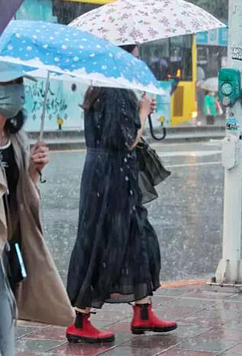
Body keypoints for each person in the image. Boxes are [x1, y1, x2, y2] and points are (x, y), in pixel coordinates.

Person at [65, 45, 176, 344]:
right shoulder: (115, 90)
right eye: (135, 53)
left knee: (139, 237)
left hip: (113, 175)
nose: (138, 59)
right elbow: (125, 142)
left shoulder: (106, 84)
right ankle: (80, 318)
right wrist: (141, 112)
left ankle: (142, 309)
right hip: (110, 177)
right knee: (101, 243)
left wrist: (138, 110)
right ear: (123, 56)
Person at [0, 77, 74, 356]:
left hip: (11, 242)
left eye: (19, 84)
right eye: (8, 83)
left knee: (8, 310)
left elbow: (24, 200)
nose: (15, 91)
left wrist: (33, 169)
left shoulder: (17, 139)